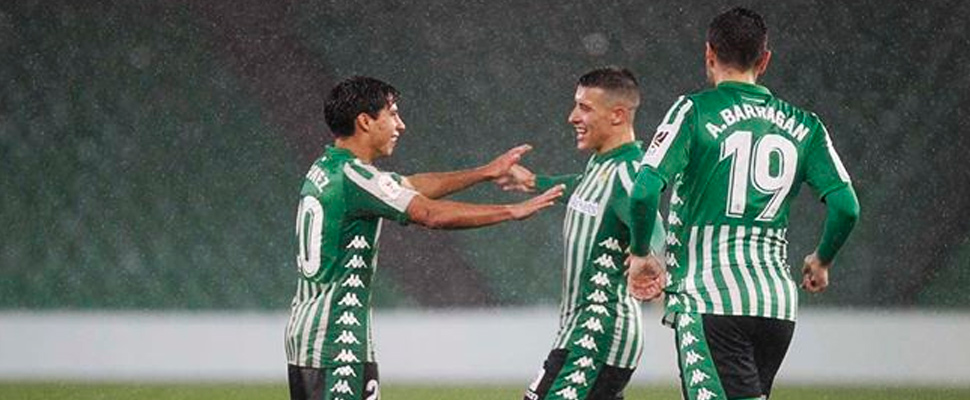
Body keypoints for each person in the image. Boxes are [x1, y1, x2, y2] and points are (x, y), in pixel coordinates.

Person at [625, 7, 861, 400]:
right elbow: (847, 206)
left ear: (709, 54)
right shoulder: (806, 125)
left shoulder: (693, 110)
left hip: (711, 299)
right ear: (765, 59)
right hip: (776, 306)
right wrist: (822, 258)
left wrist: (639, 254)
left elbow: (645, 190)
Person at [285, 75, 564, 400]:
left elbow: (410, 185)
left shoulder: (327, 168)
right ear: (364, 121)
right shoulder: (356, 178)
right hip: (338, 341)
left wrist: (486, 172)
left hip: (308, 334)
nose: (400, 125)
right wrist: (511, 211)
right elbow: (430, 214)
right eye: (392, 114)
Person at [497, 67, 665, 400]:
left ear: (617, 115)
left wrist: (648, 253)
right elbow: (584, 190)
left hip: (599, 333)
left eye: (585, 108)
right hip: (582, 330)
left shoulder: (630, 171)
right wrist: (533, 182)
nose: (572, 116)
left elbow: (652, 218)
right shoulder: (601, 165)